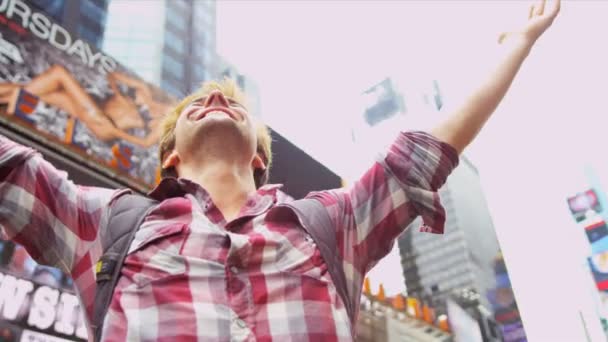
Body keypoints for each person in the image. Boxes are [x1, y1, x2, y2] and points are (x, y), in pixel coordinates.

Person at [0, 1, 560, 341]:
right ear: (169, 156)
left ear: (259, 157)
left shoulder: (332, 224)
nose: (217, 97)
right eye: (198, 104)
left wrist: (517, 46)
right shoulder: (102, 223)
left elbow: (429, 150)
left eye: (233, 103)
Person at [0, 65, 173, 147]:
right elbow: (112, 75)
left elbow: (144, 143)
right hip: (94, 110)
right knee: (53, 95)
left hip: (101, 122)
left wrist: (114, 131)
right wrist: (118, 93)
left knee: (59, 73)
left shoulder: (163, 122)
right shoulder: (144, 91)